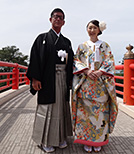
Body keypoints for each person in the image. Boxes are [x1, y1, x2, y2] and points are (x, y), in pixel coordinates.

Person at [26, 8, 74, 153]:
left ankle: (60, 139)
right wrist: (35, 78)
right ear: (50, 19)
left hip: (63, 78)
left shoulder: (66, 41)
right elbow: (35, 58)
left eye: (60, 17)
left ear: (64, 22)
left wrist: (71, 80)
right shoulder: (42, 38)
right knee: (47, 109)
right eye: (55, 17)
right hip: (47, 79)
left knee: (61, 109)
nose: (57, 19)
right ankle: (45, 140)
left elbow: (72, 62)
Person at [72, 20, 118, 153]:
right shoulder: (82, 46)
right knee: (85, 113)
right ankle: (86, 140)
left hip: (100, 84)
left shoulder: (105, 46)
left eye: (94, 27)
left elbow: (110, 60)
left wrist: (100, 71)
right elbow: (76, 61)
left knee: (101, 113)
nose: (92, 30)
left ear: (99, 30)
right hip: (86, 83)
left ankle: (98, 141)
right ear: (86, 29)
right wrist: (86, 71)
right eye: (89, 27)